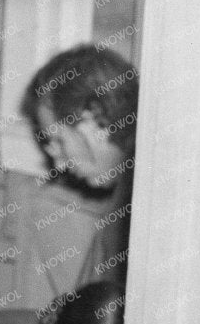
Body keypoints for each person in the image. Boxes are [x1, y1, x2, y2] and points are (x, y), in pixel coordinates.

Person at [25, 44, 139, 294]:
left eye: (60, 141)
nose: (59, 163)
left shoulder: (143, 205)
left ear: (94, 117)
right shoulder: (121, 195)